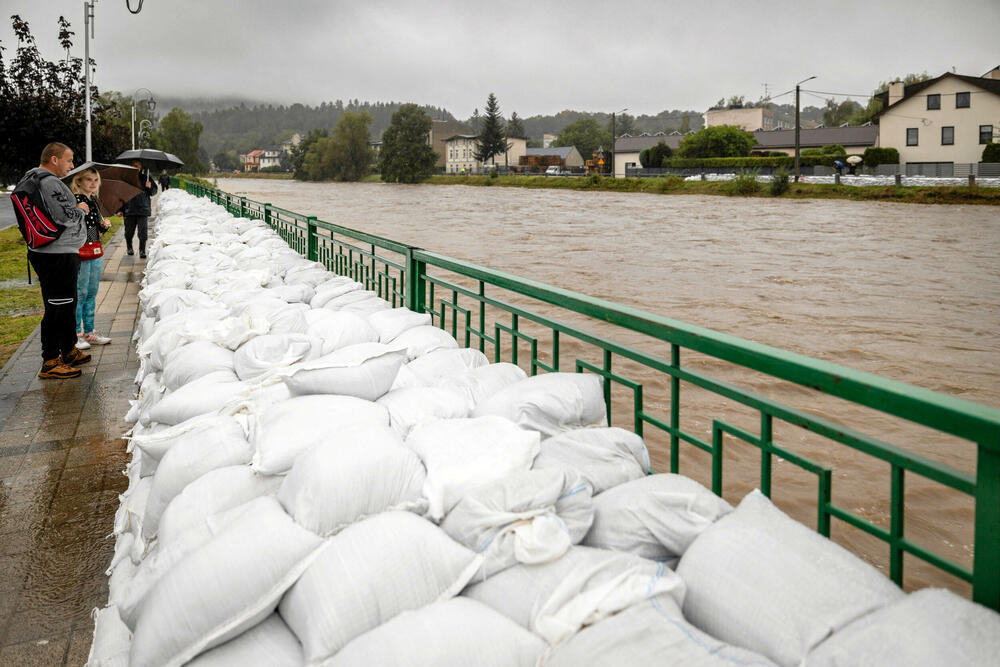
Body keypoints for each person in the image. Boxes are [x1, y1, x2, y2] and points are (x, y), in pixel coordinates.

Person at [17, 142, 91, 379]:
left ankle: (68, 350)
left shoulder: (35, 178)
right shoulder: (49, 182)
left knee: (67, 303)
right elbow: (64, 215)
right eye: (69, 160)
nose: (71, 166)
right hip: (56, 256)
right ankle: (50, 360)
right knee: (57, 308)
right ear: (54, 160)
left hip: (55, 253)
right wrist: (80, 208)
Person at [69, 167, 112, 350]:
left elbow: (92, 229)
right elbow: (73, 227)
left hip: (95, 249)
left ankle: (89, 331)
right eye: (88, 179)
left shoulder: (93, 200)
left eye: (95, 180)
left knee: (92, 292)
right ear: (78, 182)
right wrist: (79, 211)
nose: (93, 183)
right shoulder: (74, 201)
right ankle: (76, 334)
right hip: (81, 251)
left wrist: (103, 227)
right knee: (81, 293)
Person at [121, 159, 158, 258]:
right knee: (129, 231)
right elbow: (121, 194)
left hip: (143, 208)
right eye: (134, 165)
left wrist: (149, 187)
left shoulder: (146, 178)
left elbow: (154, 192)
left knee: (143, 232)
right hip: (129, 209)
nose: (136, 167)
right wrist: (120, 209)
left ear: (141, 167)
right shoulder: (126, 179)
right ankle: (129, 247)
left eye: (138, 165)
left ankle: (142, 250)